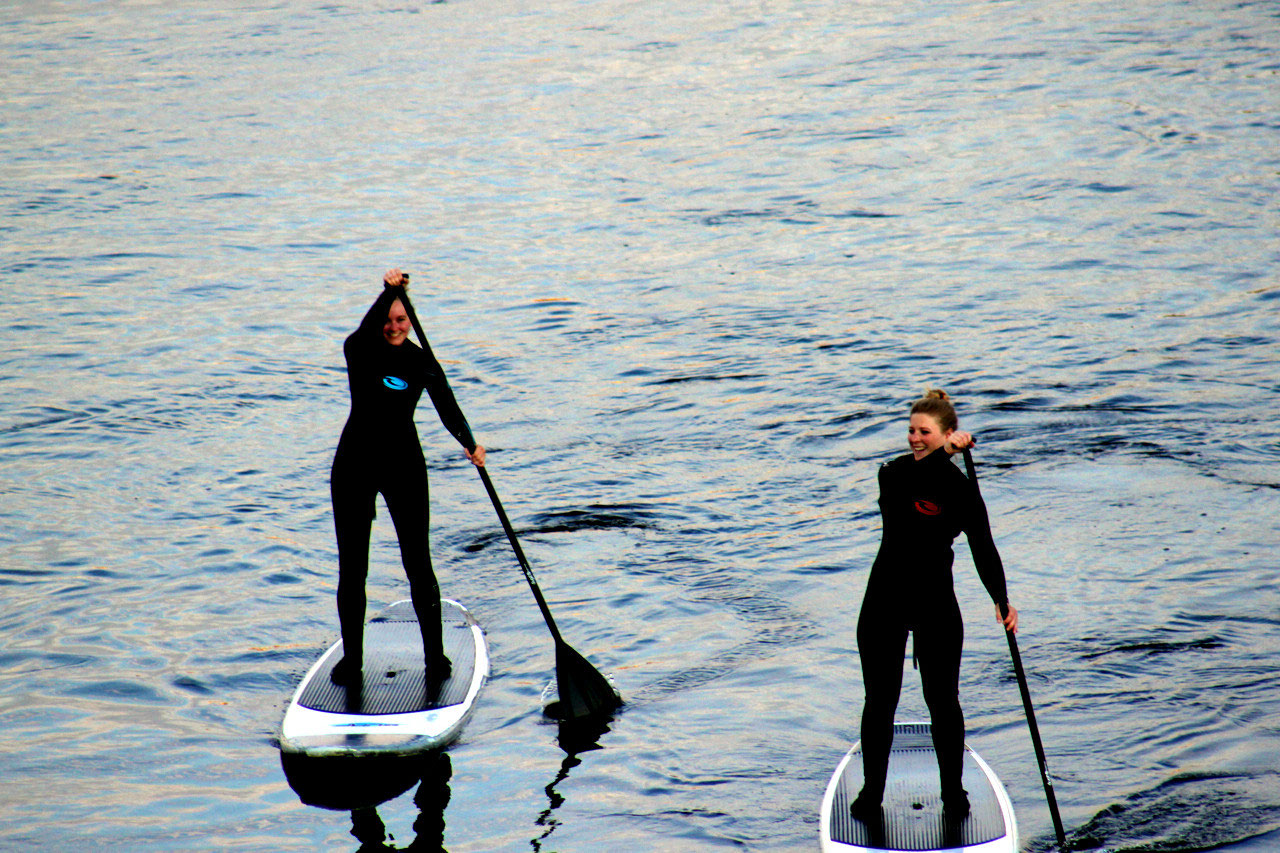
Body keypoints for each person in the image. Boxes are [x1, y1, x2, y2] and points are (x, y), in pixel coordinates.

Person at [851, 389, 1018, 822]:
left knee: (943, 702)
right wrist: (945, 451)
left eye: (924, 432)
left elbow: (983, 545)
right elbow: (916, 482)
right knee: (880, 701)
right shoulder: (893, 475)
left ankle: (954, 796)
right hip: (884, 601)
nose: (914, 438)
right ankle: (872, 795)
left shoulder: (960, 489)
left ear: (943, 432)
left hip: (934, 602)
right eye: (911, 430)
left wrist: (1001, 600)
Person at [328, 268, 485, 691]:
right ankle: (353, 661)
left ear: (411, 322)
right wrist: (389, 292)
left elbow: (447, 406)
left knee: (418, 565)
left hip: (403, 466)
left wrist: (470, 444)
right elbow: (366, 328)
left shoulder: (420, 362)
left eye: (402, 320)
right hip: (354, 467)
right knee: (353, 570)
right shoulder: (359, 350)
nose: (394, 327)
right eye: (389, 319)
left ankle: (436, 659)